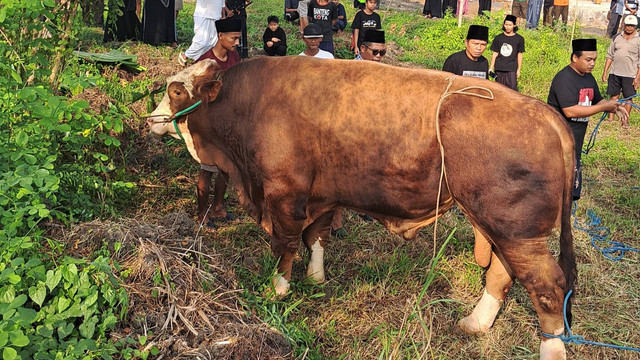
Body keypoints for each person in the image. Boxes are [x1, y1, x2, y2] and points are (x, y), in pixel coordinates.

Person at [547, 39, 629, 200]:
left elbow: (598, 100)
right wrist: (603, 108)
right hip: (557, 143)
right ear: (575, 58)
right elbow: (570, 111)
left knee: (571, 192)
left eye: (595, 60)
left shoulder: (588, 78)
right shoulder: (564, 78)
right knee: (555, 189)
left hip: (575, 142)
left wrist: (614, 106)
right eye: (588, 59)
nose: (592, 64)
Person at [193, 18, 243, 228]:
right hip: (208, 126)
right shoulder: (205, 62)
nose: (237, 43)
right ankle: (202, 214)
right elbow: (195, 94)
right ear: (220, 36)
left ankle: (218, 207)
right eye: (234, 38)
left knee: (225, 169)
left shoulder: (234, 57)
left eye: (238, 39)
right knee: (207, 170)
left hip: (229, 123)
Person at [602, 15, 640, 122]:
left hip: (630, 74)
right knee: (614, 97)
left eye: (632, 26)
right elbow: (610, 55)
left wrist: (638, 78)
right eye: (627, 25)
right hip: (615, 73)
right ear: (623, 25)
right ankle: (610, 119)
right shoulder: (617, 37)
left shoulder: (638, 40)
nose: (629, 28)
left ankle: (625, 120)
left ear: (635, 27)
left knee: (628, 99)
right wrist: (605, 71)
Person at [178, 0, 225, 66]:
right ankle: (185, 55)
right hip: (203, 15)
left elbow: (222, 3)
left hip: (216, 16)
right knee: (201, 42)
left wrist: (223, 15)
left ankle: (201, 60)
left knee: (213, 43)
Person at [489, 15, 525, 91]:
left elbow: (520, 54)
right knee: (499, 90)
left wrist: (518, 70)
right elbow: (495, 53)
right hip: (499, 67)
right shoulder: (498, 38)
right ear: (503, 25)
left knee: (512, 90)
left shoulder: (519, 39)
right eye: (506, 25)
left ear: (514, 25)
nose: (508, 27)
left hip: (511, 68)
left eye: (510, 25)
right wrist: (491, 67)